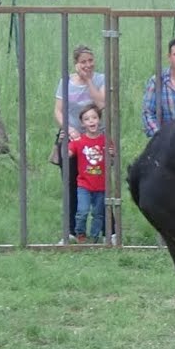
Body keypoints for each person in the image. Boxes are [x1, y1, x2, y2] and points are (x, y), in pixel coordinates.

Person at [53, 44, 106, 241]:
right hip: (73, 139)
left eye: (90, 61)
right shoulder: (65, 82)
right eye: (83, 62)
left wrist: (88, 80)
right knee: (72, 184)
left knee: (103, 185)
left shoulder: (100, 79)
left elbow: (101, 104)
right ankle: (71, 232)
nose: (87, 65)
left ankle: (109, 231)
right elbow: (58, 110)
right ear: (76, 63)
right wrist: (69, 129)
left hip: (96, 140)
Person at [66, 104, 116, 244]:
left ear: (99, 120)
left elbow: (112, 161)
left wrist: (112, 155)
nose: (91, 121)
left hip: (101, 185)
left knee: (98, 214)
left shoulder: (106, 140)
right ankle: (80, 234)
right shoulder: (79, 142)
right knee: (82, 211)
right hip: (84, 184)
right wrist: (64, 141)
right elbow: (66, 155)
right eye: (87, 119)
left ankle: (93, 238)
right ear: (82, 123)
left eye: (94, 117)